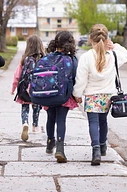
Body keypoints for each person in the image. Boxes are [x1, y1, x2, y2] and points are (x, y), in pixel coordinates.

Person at [73, 24, 127, 166]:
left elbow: (81, 79)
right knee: (103, 121)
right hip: (107, 96)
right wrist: (115, 45)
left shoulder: (86, 57)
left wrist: (77, 94)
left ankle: (96, 150)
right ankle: (103, 146)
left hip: (92, 95)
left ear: (91, 39)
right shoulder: (113, 55)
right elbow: (126, 55)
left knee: (93, 122)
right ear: (106, 39)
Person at [44, 31, 78, 163]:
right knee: (61, 120)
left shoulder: (47, 57)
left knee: (50, 118)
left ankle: (49, 142)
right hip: (64, 95)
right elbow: (75, 78)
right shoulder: (71, 60)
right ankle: (60, 148)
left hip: (49, 94)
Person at [11, 35, 45, 142]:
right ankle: (35, 126)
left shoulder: (24, 60)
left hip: (24, 90)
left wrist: (13, 89)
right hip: (37, 91)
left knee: (25, 107)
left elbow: (17, 76)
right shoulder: (43, 60)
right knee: (36, 108)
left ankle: (25, 123)